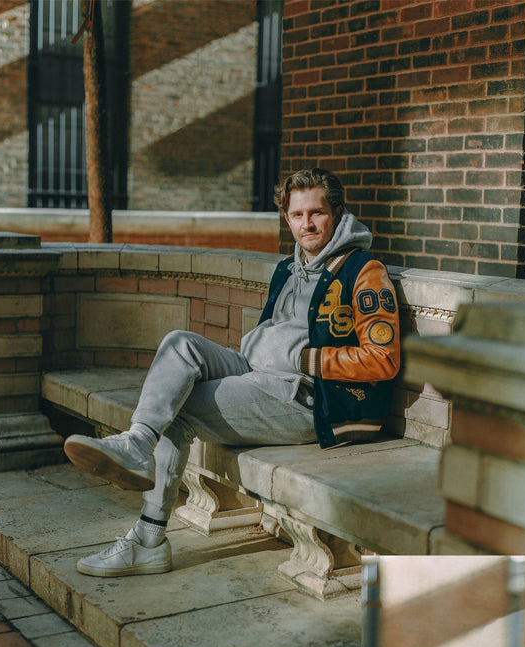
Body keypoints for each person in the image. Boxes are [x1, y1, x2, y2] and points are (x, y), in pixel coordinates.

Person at [63, 167, 401, 577]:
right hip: (261, 374)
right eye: (297, 215)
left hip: (310, 399)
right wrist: (267, 349)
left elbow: (382, 360)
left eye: (317, 213)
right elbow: (268, 339)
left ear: (338, 213)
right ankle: (137, 442)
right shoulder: (288, 268)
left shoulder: (364, 270)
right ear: (287, 218)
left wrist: (301, 358)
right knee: (179, 343)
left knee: (181, 405)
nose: (306, 224)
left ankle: (147, 540)